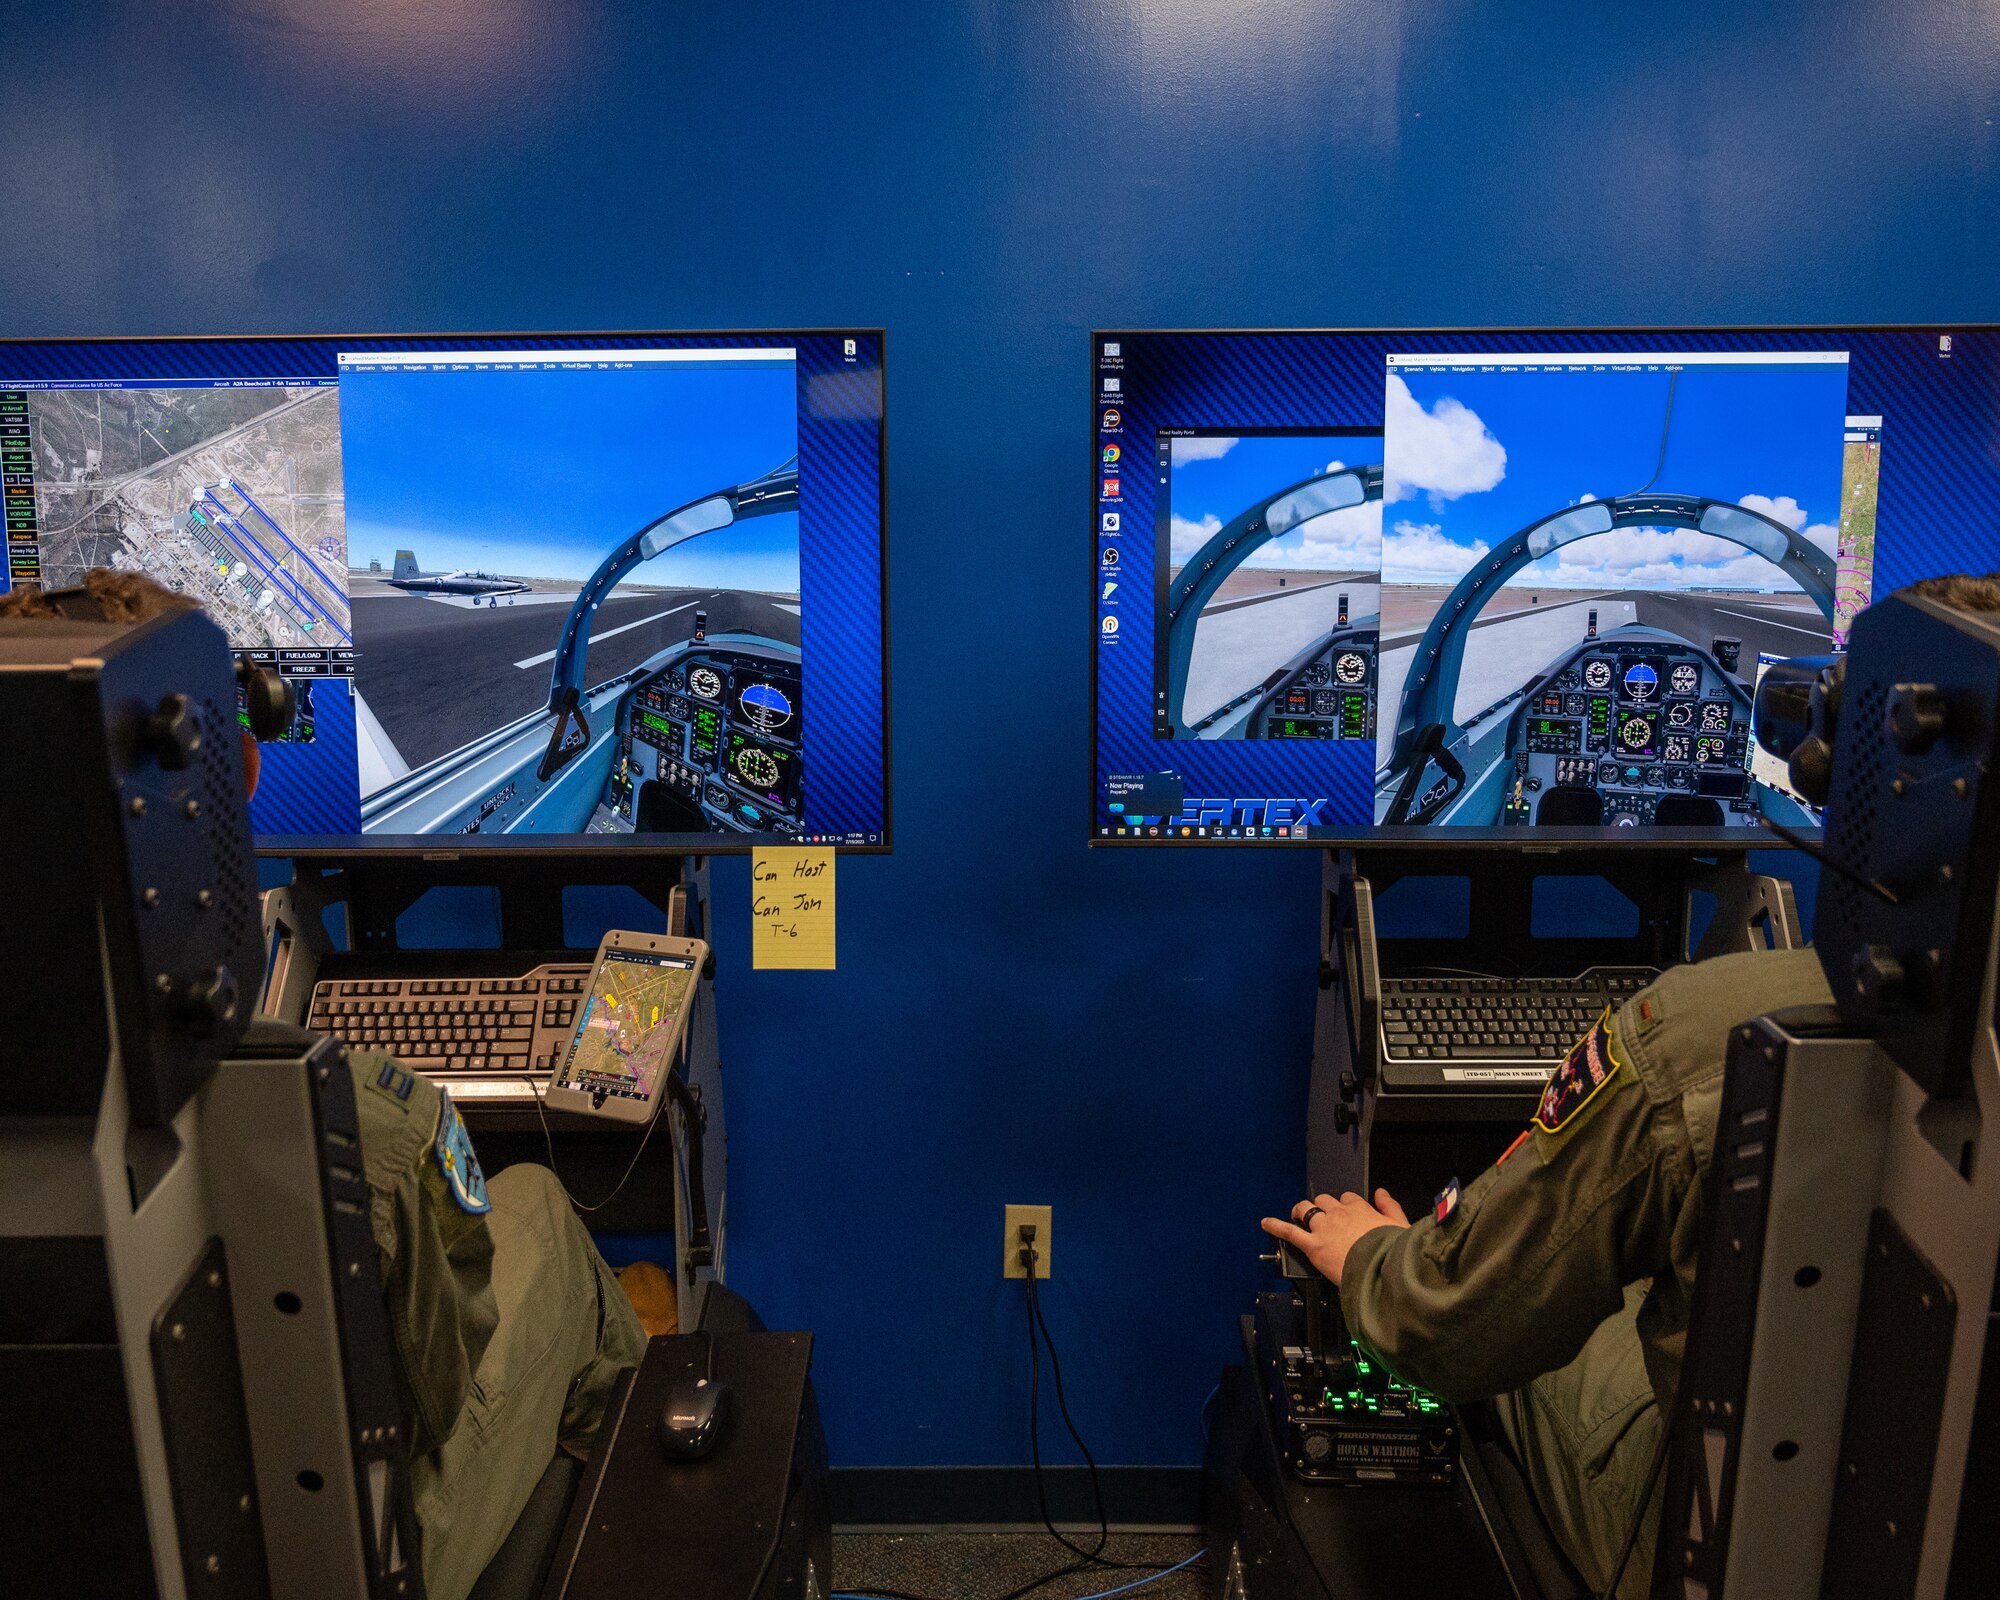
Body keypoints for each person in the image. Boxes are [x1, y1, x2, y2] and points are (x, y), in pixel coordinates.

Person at [1261, 574, 2000, 1599]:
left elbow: (1461, 1318)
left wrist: (1377, 1265)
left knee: (1539, 1296)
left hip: (1724, 1544)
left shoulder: (1715, 1033)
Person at [1, 569, 662, 1600]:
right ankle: (644, 1507)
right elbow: (439, 1394)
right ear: (237, 772)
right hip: (338, 1561)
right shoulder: (342, 1116)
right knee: (534, 1204)